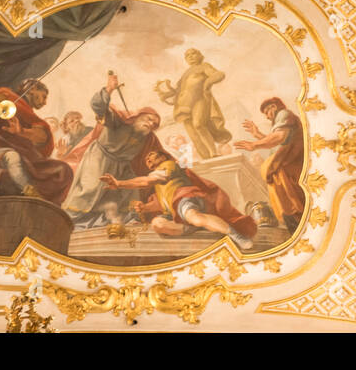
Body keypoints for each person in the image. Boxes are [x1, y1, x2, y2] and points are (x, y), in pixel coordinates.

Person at [100, 149, 256, 250]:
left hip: (186, 198)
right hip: (175, 210)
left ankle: (236, 236)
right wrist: (145, 208)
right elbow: (161, 204)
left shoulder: (169, 165)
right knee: (158, 224)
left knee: (193, 216)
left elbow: (147, 181)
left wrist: (120, 183)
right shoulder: (160, 184)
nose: (148, 158)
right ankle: (195, 226)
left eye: (151, 155)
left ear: (162, 157)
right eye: (146, 158)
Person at [62, 72, 164, 225]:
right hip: (99, 158)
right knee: (90, 189)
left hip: (122, 165)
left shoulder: (148, 138)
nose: (150, 124)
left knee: (131, 190)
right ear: (139, 115)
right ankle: (68, 219)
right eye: (149, 119)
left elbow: (162, 155)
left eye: (154, 124)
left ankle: (131, 219)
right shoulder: (119, 120)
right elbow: (98, 106)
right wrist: (109, 89)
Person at [236, 97, 305, 230]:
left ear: (273, 107)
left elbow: (279, 137)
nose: (267, 117)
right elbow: (276, 143)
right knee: (290, 208)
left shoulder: (284, 114)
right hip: (287, 170)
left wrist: (254, 145)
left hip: (292, 168)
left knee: (294, 207)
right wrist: (257, 135)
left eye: (267, 112)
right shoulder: (281, 121)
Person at [154, 49, 231, 160]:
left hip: (200, 100)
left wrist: (207, 83)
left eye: (193, 54)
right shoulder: (186, 73)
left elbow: (219, 75)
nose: (190, 57)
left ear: (200, 55)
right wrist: (165, 94)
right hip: (183, 106)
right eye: (187, 55)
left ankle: (213, 152)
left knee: (199, 124)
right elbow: (179, 91)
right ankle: (206, 157)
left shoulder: (204, 66)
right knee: (193, 134)